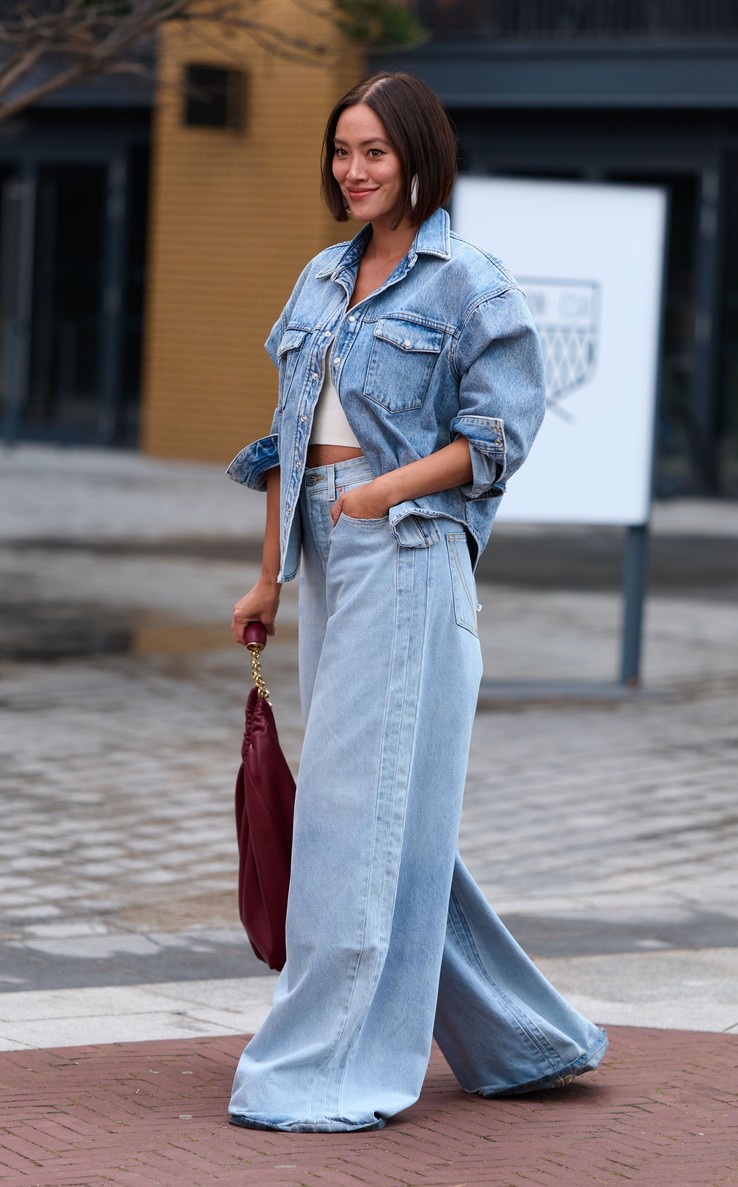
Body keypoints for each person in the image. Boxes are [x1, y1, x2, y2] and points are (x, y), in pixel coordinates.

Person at [226, 71, 607, 1133]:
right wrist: (269, 574)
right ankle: (522, 1039)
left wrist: (383, 490)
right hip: (326, 549)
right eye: (341, 150)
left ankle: (321, 1065)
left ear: (417, 158)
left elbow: (497, 437)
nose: (353, 170)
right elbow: (284, 441)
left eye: (374, 153)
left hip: (405, 550)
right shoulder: (320, 277)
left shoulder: (467, 282)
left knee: (351, 815)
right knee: (386, 809)